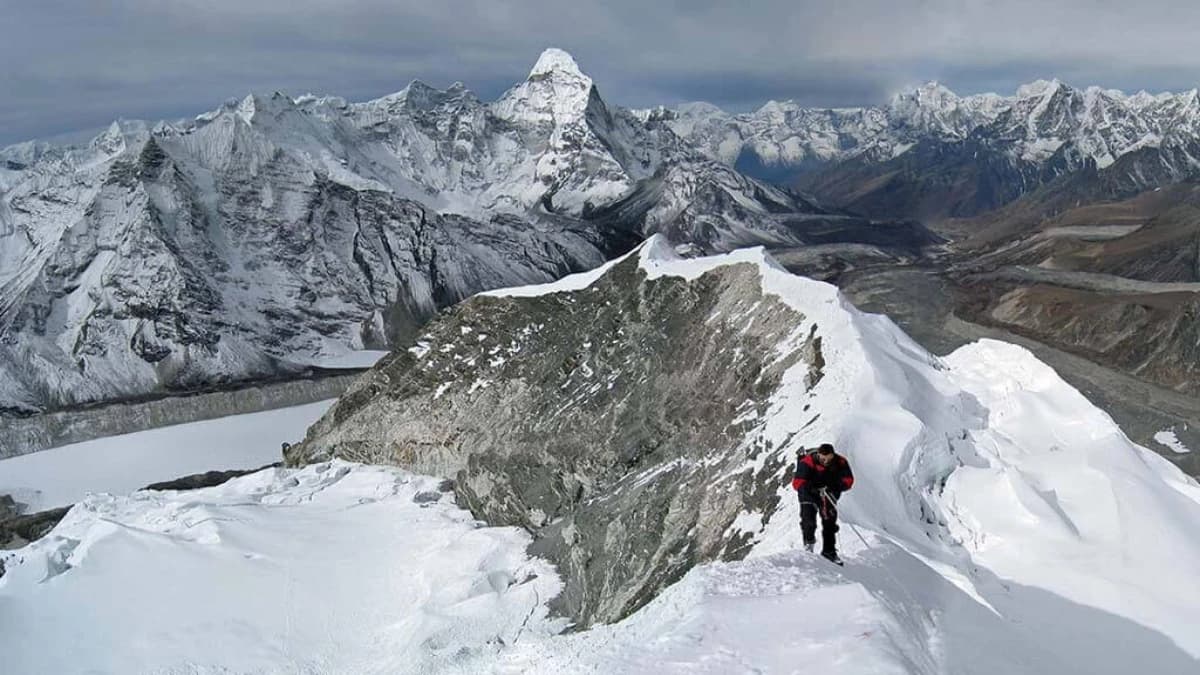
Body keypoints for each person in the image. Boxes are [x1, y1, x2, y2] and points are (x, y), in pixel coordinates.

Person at [791, 443, 854, 565]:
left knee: (829, 522)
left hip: (828, 494)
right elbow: (797, 483)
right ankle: (809, 544)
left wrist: (835, 487)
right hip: (808, 494)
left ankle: (829, 552)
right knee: (808, 521)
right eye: (823, 458)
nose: (826, 461)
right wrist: (811, 489)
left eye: (829, 459)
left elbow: (848, 480)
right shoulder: (808, 461)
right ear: (818, 455)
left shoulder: (840, 462)